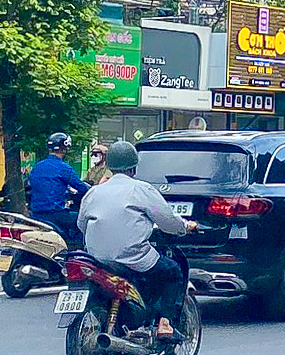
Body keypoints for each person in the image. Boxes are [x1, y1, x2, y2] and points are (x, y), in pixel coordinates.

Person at [78, 139, 191, 341]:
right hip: (134, 258)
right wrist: (185, 226)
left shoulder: (93, 192)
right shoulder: (141, 190)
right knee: (173, 271)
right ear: (134, 167)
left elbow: (81, 224)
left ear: (109, 165)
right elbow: (167, 221)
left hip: (97, 259)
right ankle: (165, 324)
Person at [27, 133, 88, 252]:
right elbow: (81, 188)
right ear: (64, 148)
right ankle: (78, 253)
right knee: (82, 222)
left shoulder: (37, 167)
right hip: (55, 215)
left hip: (35, 215)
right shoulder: (63, 168)